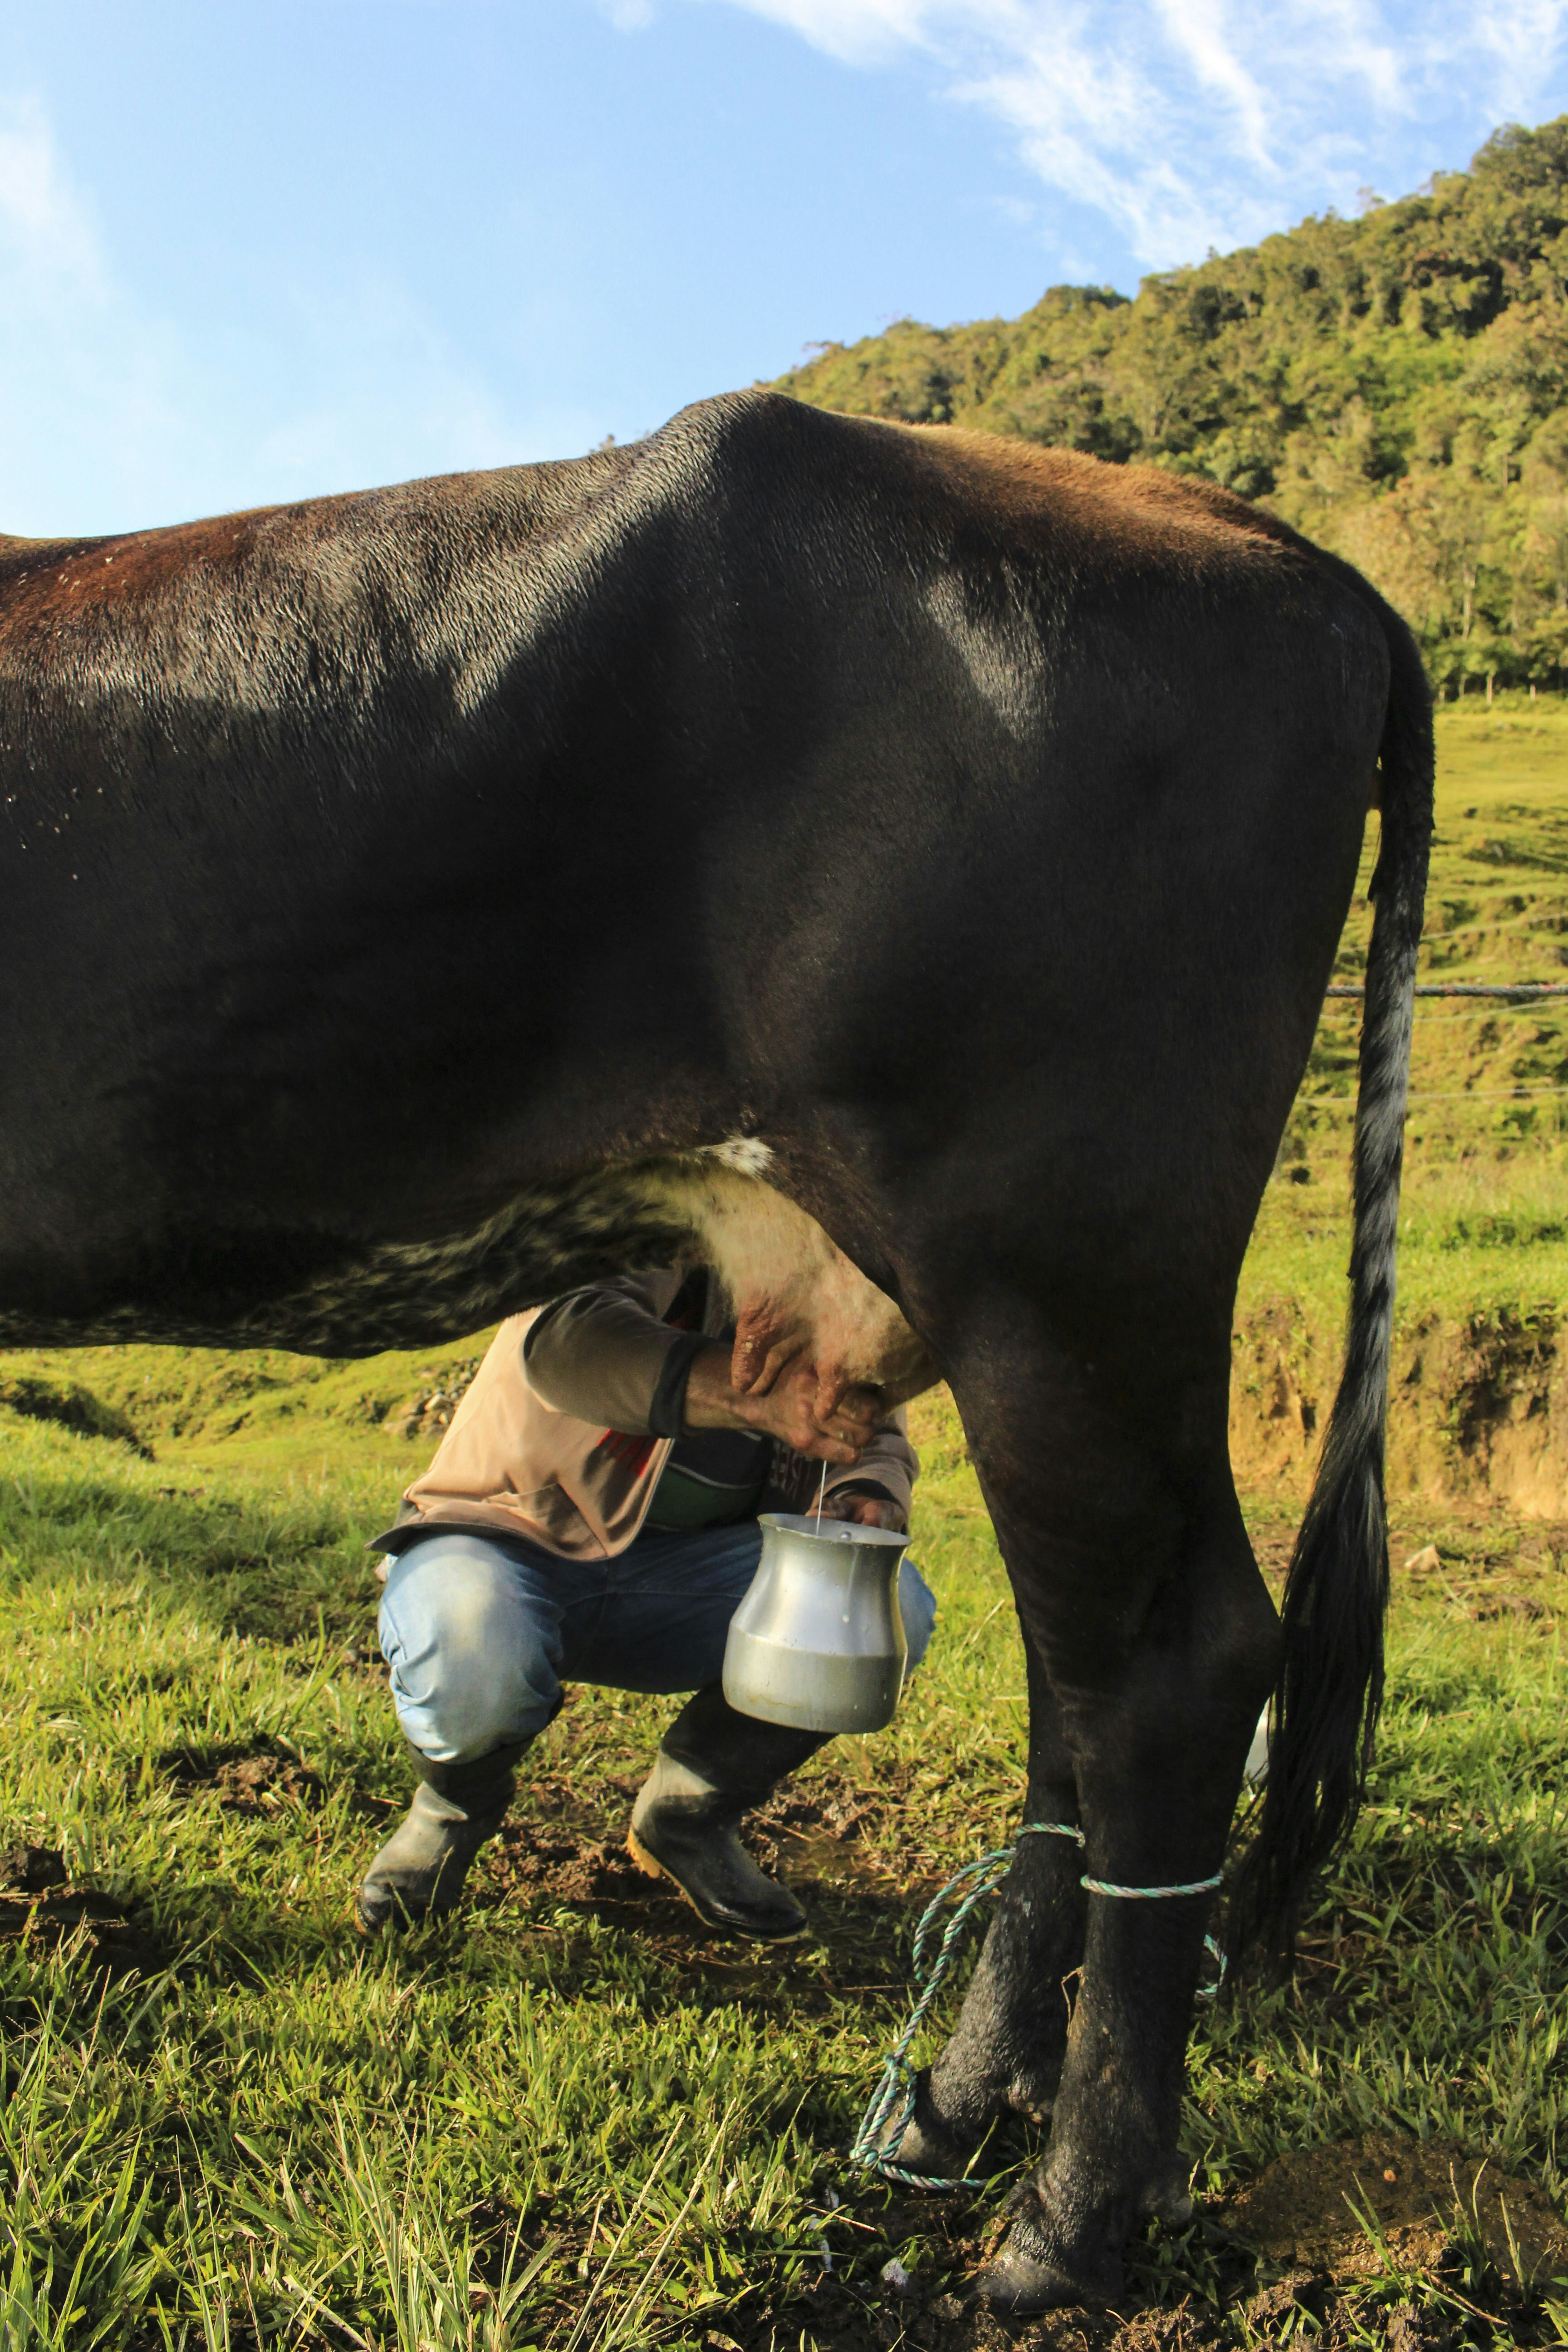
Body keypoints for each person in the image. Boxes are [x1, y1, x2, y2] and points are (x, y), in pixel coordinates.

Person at [358, 1266, 934, 1940]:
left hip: (689, 1582)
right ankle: (452, 1811)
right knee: (469, 1631)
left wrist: (868, 1488)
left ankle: (687, 1815)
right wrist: (747, 1394)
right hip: (508, 1536)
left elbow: (874, 1423)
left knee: (881, 1602)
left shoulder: (831, 1275)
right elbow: (568, 1338)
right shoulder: (655, 1204)